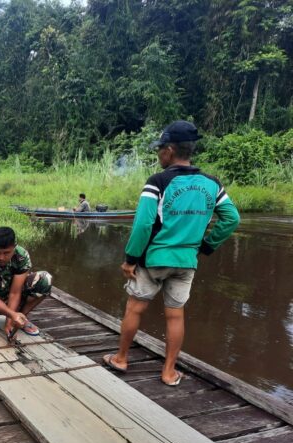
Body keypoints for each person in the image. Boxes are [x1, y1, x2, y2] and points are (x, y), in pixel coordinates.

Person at [103, 120, 240, 385]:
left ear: (169, 149)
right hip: (187, 262)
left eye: (159, 150)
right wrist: (207, 245)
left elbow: (143, 224)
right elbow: (231, 218)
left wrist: (131, 259)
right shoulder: (212, 184)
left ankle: (120, 359)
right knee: (175, 314)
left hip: (154, 259)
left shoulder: (158, 181)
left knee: (135, 308)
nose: (158, 155)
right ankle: (168, 372)